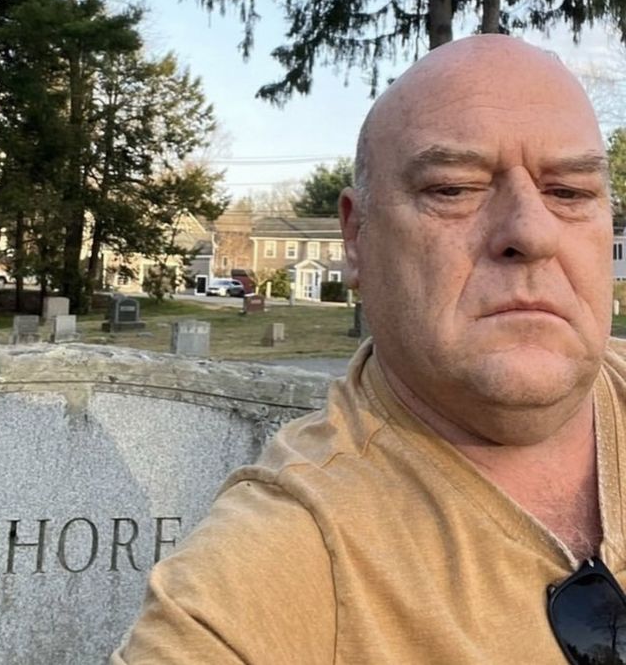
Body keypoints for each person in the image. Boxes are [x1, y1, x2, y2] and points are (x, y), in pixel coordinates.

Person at [113, 34, 625, 664]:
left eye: (569, 193)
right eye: (453, 189)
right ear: (357, 237)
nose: (530, 231)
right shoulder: (259, 585)